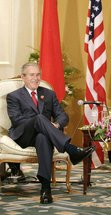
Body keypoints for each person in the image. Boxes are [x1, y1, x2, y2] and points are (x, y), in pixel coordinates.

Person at [6, 62, 96, 204]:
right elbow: (17, 120)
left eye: (38, 75)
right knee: (40, 118)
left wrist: (56, 124)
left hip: (43, 135)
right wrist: (42, 123)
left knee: (43, 138)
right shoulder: (14, 96)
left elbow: (62, 116)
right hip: (23, 135)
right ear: (23, 77)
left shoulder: (48, 94)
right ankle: (71, 149)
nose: (35, 78)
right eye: (31, 75)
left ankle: (45, 189)